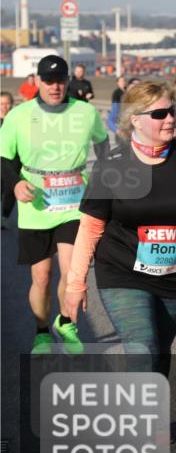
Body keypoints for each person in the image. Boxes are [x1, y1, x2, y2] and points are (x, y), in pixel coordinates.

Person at [62, 82, 176, 375]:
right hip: (122, 271)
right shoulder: (113, 164)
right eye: (160, 113)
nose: (171, 119)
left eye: (172, 111)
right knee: (142, 349)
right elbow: (90, 228)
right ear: (135, 119)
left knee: (159, 352)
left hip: (175, 276)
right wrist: (76, 284)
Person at [0, 55, 109, 354]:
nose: (55, 86)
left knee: (72, 269)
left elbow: (103, 146)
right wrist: (14, 183)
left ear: (68, 80)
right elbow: (4, 157)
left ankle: (66, 322)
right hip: (35, 205)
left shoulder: (85, 113)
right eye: (48, 81)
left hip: (73, 203)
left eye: (60, 79)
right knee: (42, 276)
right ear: (37, 81)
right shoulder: (19, 116)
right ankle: (42, 332)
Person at [107, 77, 140, 144]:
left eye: (139, 85)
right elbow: (110, 120)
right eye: (134, 85)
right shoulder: (118, 96)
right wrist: (118, 131)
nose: (137, 87)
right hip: (124, 137)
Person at [0, 92, 13, 229]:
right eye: (1, 103)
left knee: (9, 191)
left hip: (11, 161)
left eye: (7, 103)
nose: (4, 106)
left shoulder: (15, 120)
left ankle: (4, 216)